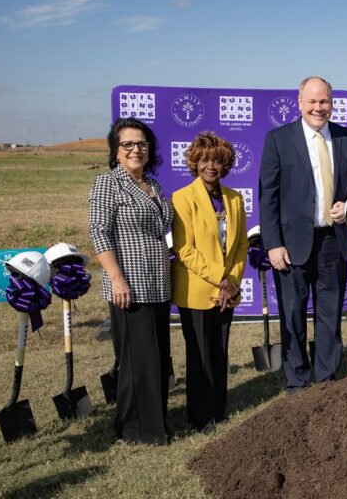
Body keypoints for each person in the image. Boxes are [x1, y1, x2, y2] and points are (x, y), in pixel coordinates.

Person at [259, 76, 347, 393]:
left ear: (332, 103)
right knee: (292, 315)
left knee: (330, 315)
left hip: (333, 241)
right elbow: (268, 195)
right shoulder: (279, 139)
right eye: (313, 102)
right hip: (292, 245)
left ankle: (326, 381)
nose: (319, 108)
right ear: (300, 102)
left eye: (324, 102)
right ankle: (298, 383)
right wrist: (273, 244)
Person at [88, 117, 174, 444]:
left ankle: (156, 422)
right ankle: (136, 429)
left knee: (155, 358)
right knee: (137, 361)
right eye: (128, 144)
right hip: (128, 285)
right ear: (116, 150)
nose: (135, 150)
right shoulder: (108, 183)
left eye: (141, 143)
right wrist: (116, 277)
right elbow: (99, 231)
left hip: (157, 284)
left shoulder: (154, 185)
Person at [171, 131, 248, 432]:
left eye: (216, 160)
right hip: (198, 290)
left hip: (228, 291)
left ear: (225, 164)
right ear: (194, 163)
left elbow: (241, 244)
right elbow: (185, 250)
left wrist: (232, 281)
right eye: (204, 160)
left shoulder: (235, 198)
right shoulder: (182, 198)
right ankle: (200, 416)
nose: (210, 166)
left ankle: (219, 410)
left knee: (219, 351)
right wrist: (220, 280)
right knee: (199, 354)